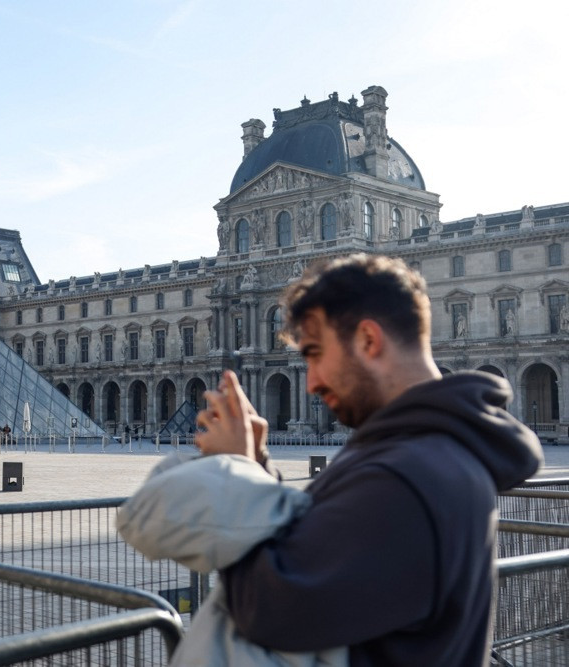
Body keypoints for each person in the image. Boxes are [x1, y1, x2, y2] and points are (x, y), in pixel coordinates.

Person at [193, 254, 542, 666]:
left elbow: (269, 615)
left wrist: (238, 475)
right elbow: (312, 557)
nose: (311, 383)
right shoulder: (424, 452)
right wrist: (259, 464)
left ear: (369, 340)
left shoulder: (407, 475)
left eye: (316, 354)